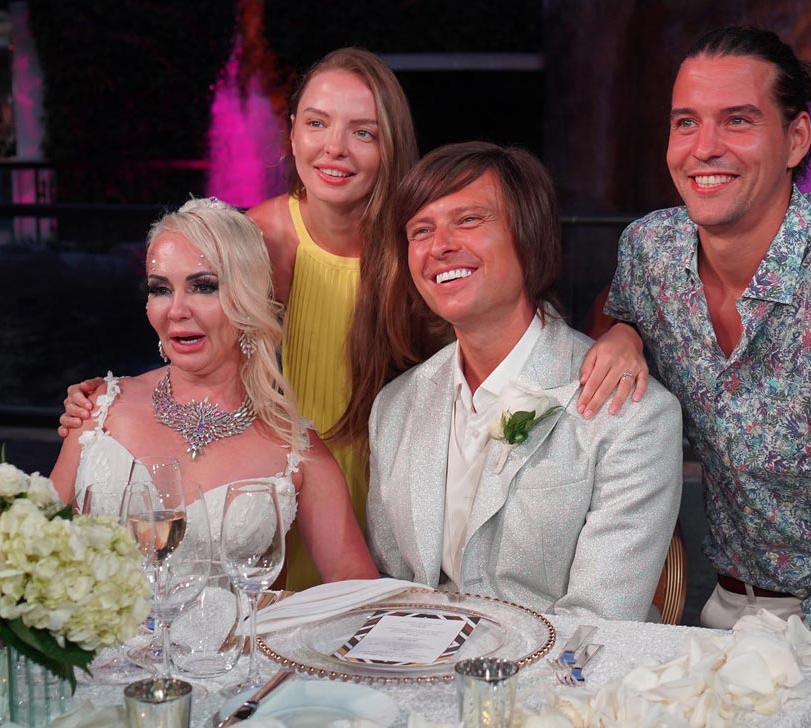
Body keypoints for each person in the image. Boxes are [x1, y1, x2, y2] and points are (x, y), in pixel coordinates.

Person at [58, 49, 647, 590]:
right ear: (292, 131)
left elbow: (503, 322)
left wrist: (622, 332)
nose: (334, 148)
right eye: (317, 123)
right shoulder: (252, 241)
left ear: (391, 144)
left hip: (391, 483)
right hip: (264, 482)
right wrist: (106, 406)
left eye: (362, 132)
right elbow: (192, 344)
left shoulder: (419, 248)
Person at [599, 25, 811, 726]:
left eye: (738, 121)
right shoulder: (651, 251)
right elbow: (621, 304)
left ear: (796, 140)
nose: (704, 146)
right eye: (686, 122)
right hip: (736, 600)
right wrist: (622, 333)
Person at [367, 142, 682, 620]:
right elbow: (394, 587)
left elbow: (600, 620)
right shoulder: (395, 407)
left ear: (529, 236)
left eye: (468, 220)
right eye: (421, 230)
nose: (440, 246)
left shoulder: (633, 416)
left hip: (566, 663)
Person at [50, 198, 378, 584]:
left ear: (249, 297)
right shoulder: (97, 409)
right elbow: (37, 552)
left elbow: (357, 592)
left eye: (203, 287)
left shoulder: (297, 451)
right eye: (161, 289)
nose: (176, 310)